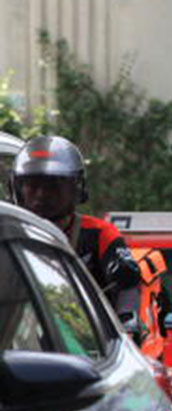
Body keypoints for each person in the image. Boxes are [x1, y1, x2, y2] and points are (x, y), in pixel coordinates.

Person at [12, 135, 141, 319]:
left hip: (86, 343)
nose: (40, 195)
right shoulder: (7, 232)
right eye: (32, 186)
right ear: (17, 187)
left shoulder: (99, 233)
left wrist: (128, 325)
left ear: (76, 188)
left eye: (52, 187)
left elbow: (128, 287)